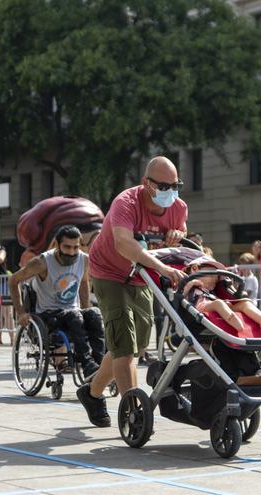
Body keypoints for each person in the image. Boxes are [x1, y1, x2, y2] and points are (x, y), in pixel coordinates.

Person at [77, 156, 187, 428]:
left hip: (141, 275)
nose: (170, 191)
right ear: (146, 183)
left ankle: (91, 392)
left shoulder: (178, 207)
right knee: (123, 346)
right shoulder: (125, 203)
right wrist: (162, 268)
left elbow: (182, 228)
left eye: (175, 185)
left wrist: (177, 231)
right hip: (108, 272)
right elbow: (124, 244)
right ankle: (134, 412)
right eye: (163, 186)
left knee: (133, 345)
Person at [10, 226, 103, 378]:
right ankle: (87, 365)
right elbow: (13, 280)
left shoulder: (84, 259)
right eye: (67, 247)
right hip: (48, 315)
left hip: (73, 313)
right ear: (57, 245)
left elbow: (85, 283)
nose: (72, 252)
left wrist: (86, 308)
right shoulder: (42, 262)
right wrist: (21, 312)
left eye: (75, 247)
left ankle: (100, 365)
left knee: (95, 314)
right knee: (75, 316)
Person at [183, 261, 261, 332]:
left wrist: (226, 303)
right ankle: (235, 323)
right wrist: (191, 283)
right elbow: (181, 295)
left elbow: (214, 299)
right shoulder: (189, 283)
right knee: (218, 303)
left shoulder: (209, 291)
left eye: (216, 280)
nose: (215, 280)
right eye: (212, 275)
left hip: (213, 305)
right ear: (195, 269)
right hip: (198, 308)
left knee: (244, 302)